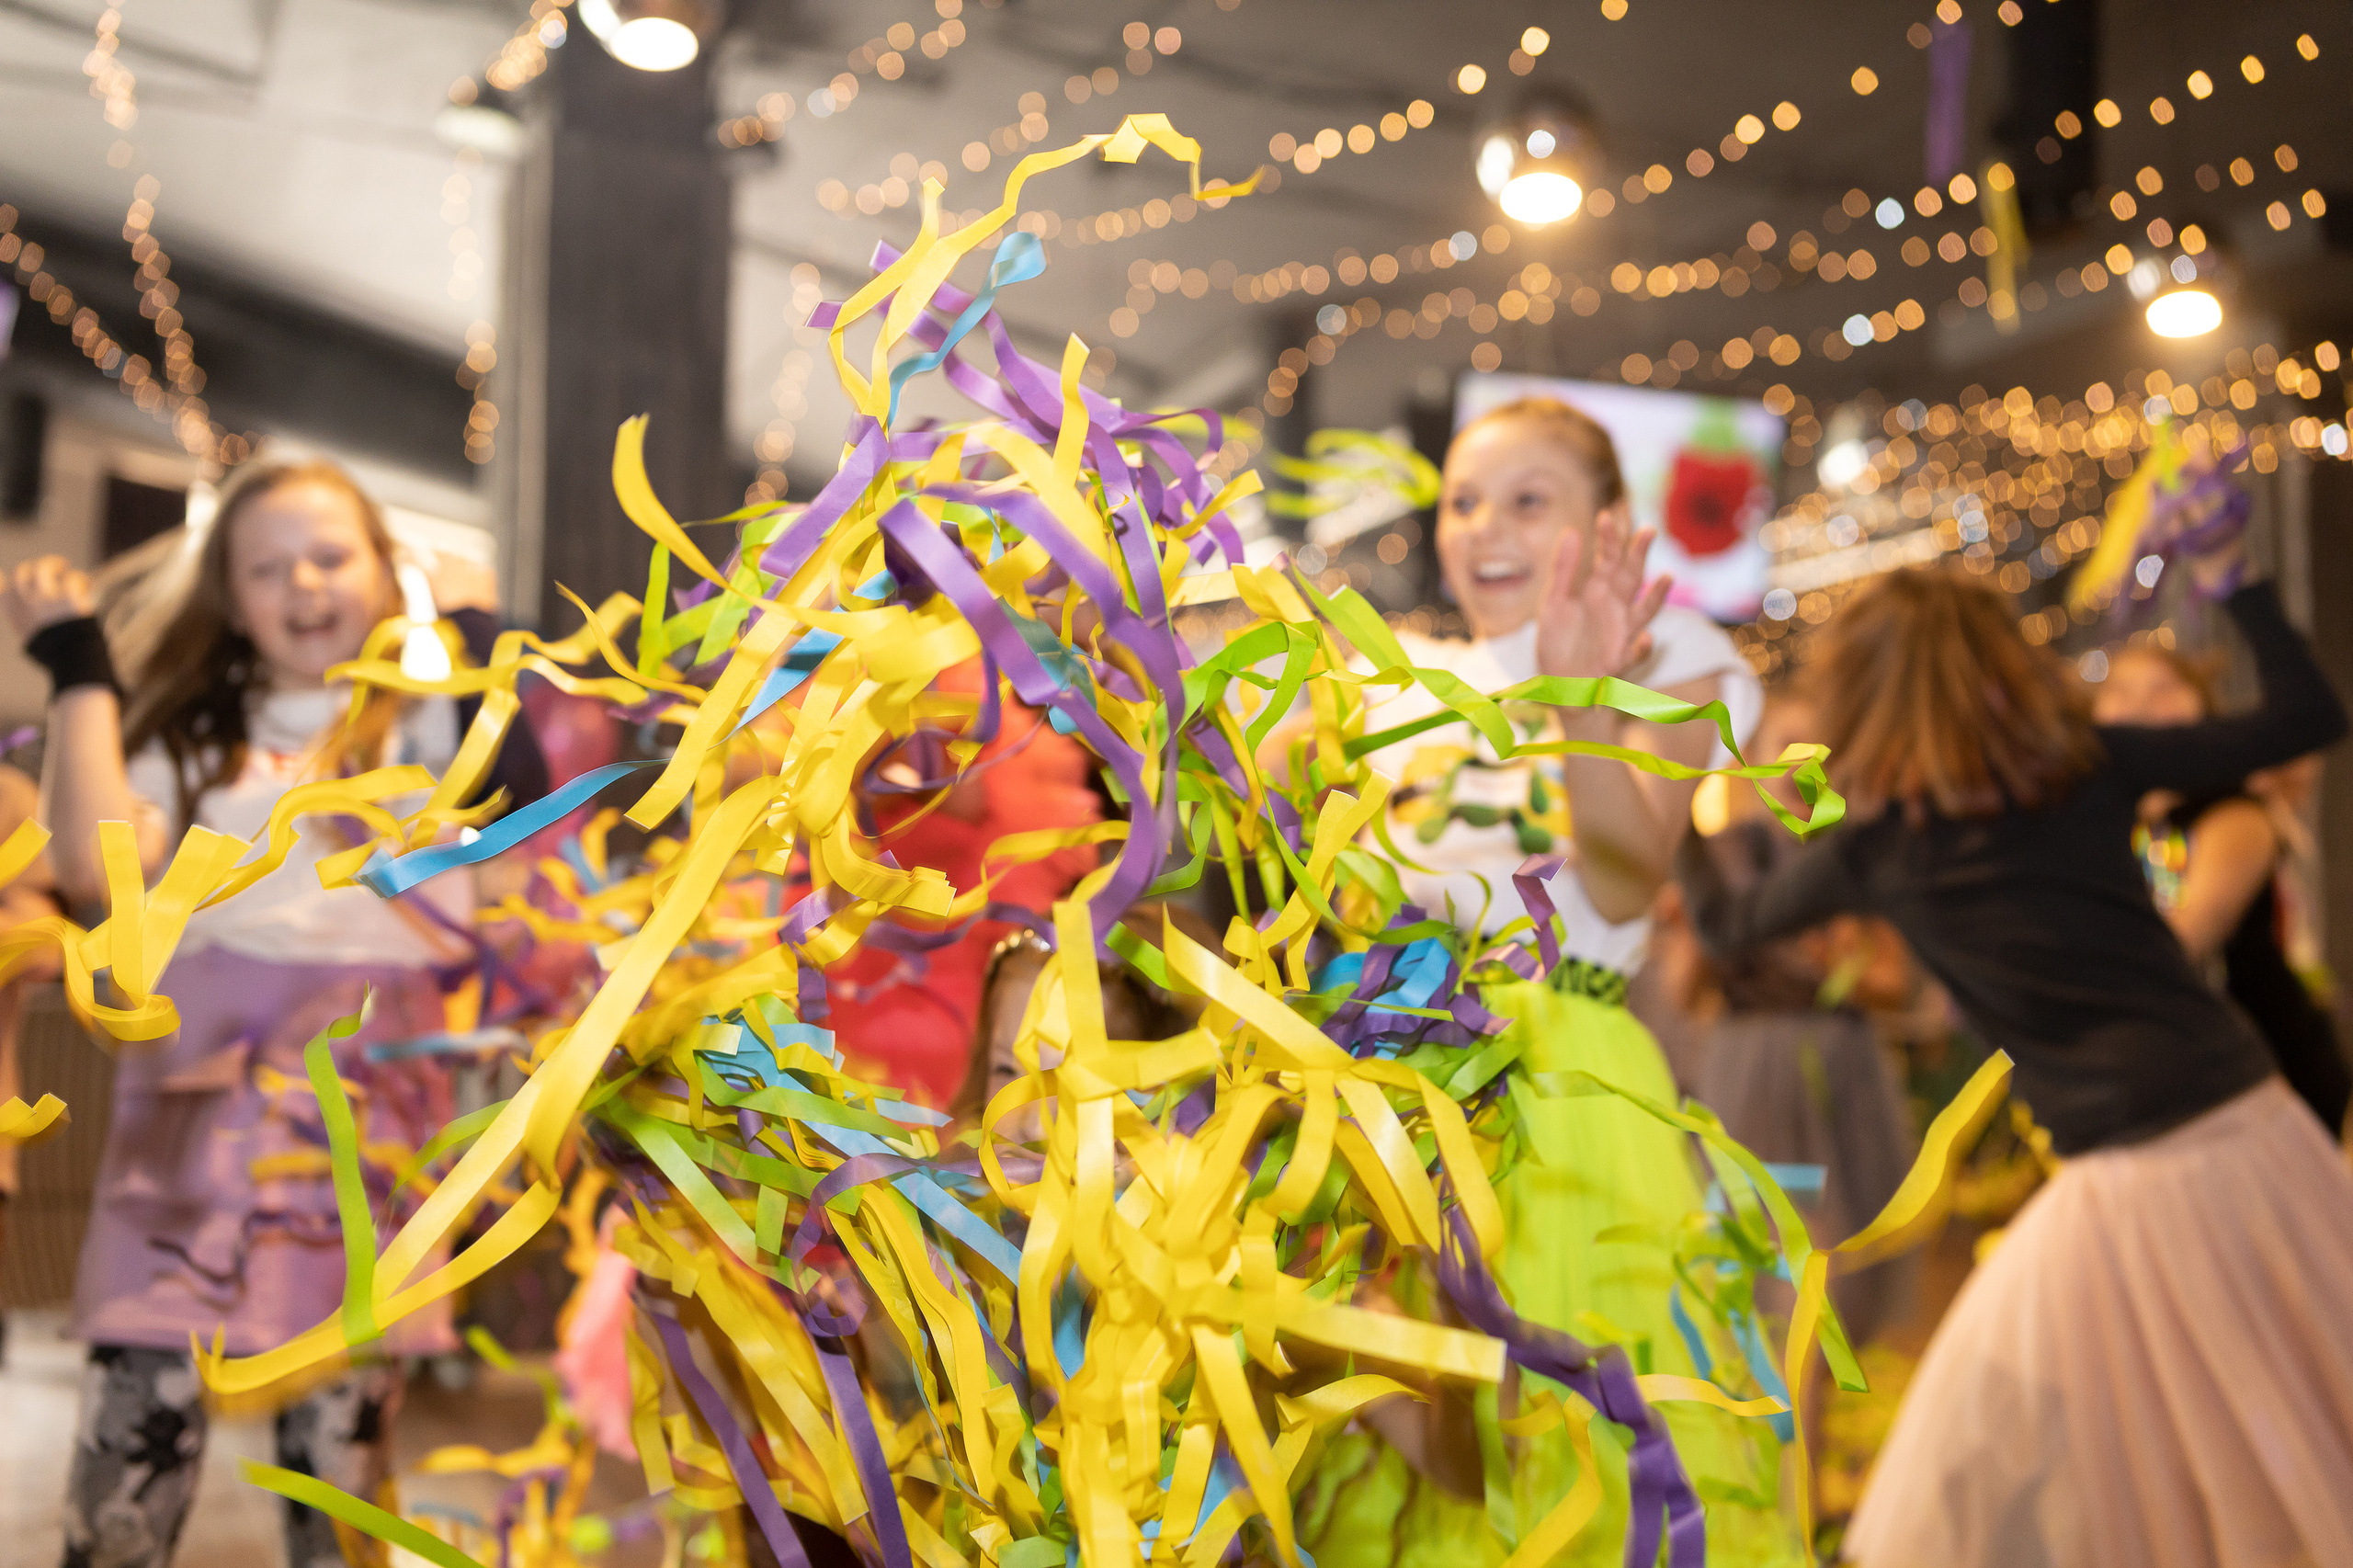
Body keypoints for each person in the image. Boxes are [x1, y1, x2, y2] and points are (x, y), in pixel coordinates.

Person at [1677, 540, 2353, 1567]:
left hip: (2135, 1171)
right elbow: (2309, 718)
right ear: (2002, 663)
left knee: (2108, 1454)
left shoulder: (1881, 847)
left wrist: (1687, 785)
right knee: (2287, 1407)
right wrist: (2238, 583)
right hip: (2242, 1124)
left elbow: (1726, 925)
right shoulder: (2088, 767)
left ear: (1861, 698)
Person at [3, 460, 547, 1568]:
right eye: (267, 567)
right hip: (186, 1156)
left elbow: (522, 828)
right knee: (126, 1480)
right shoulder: (196, 733)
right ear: (231, 597)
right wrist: (78, 667)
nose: (303, 582)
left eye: (331, 555)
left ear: (388, 571)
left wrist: (478, 636)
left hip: (357, 1158)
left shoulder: (428, 727)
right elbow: (93, 866)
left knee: (342, 1495)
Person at [1289, 397, 1792, 1566]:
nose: (1485, 527)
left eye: (1527, 499)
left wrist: (1578, 695)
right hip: (1393, 1099)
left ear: (1607, 522)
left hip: (1564, 1095)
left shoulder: (1674, 659)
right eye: (1464, 500)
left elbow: (1622, 877)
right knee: (1422, 1431)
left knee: (1562, 1446)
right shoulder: (1390, 682)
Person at [1675, 687, 1918, 1358]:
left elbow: (1896, 981)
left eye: (1816, 747)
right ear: (1754, 758)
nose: (1800, 761)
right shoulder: (1721, 859)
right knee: (1767, 1250)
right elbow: (1685, 985)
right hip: (1751, 1070)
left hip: (1840, 1068)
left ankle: (1801, 1408)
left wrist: (1838, 968)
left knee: (1831, 1255)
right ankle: (1775, 1403)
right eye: (1785, 744)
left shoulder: (1854, 859)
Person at [2093, 640, 2350, 1136]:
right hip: (2156, 1078)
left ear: (2204, 710)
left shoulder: (2236, 814)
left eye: (2163, 688)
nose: (2141, 704)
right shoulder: (2100, 825)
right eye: (2120, 689)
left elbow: (2186, 939)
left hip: (2259, 1071)